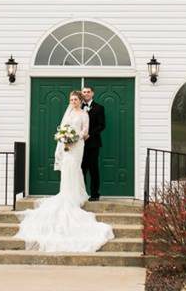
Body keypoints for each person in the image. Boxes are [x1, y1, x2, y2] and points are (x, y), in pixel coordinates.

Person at [15, 91, 113, 252]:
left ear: (80, 100)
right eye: (71, 99)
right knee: (67, 167)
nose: (73, 101)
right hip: (67, 146)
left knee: (75, 167)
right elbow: (63, 128)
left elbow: (85, 130)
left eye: (75, 99)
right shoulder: (67, 113)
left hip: (78, 145)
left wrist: (75, 137)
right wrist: (63, 137)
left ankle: (77, 193)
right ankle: (66, 193)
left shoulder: (84, 114)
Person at [81, 86, 105, 201]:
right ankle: (81, 193)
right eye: (84, 92)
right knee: (81, 169)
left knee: (93, 169)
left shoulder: (99, 108)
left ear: (92, 93)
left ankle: (95, 194)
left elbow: (102, 125)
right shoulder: (78, 107)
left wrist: (89, 134)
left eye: (88, 92)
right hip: (79, 144)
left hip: (93, 144)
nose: (86, 94)